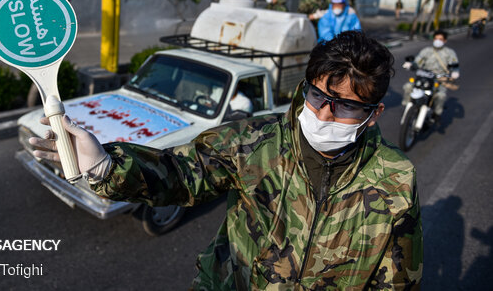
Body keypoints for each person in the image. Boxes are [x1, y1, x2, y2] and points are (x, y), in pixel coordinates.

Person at [30, 31, 422, 289]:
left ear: (374, 113)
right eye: (318, 97)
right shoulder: (254, 139)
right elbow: (182, 173)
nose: (322, 115)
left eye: (345, 107)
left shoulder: (395, 180)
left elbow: (398, 279)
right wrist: (107, 166)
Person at [402, 29, 459, 122]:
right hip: (424, 77)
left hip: (439, 79)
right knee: (408, 87)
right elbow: (418, 62)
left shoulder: (449, 52)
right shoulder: (426, 51)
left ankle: (437, 114)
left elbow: (454, 64)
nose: (437, 41)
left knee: (441, 96)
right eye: (436, 38)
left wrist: (455, 72)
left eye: (440, 39)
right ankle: (407, 107)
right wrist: (411, 65)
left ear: (445, 41)